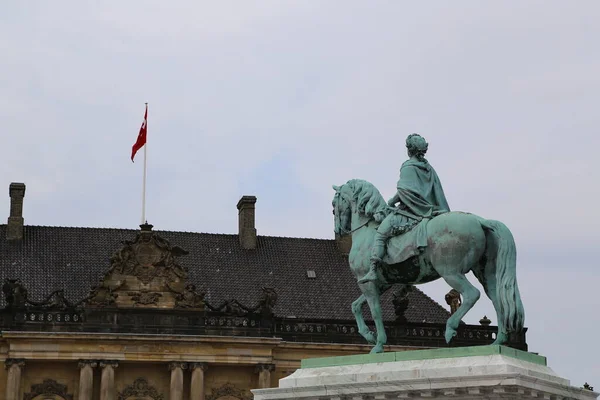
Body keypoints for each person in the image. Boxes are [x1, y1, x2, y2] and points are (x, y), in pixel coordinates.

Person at [358, 134, 450, 284]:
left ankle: (373, 270)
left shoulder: (408, 166)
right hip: (431, 210)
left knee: (381, 234)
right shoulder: (428, 168)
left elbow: (405, 192)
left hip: (411, 212)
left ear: (410, 150)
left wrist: (391, 201)